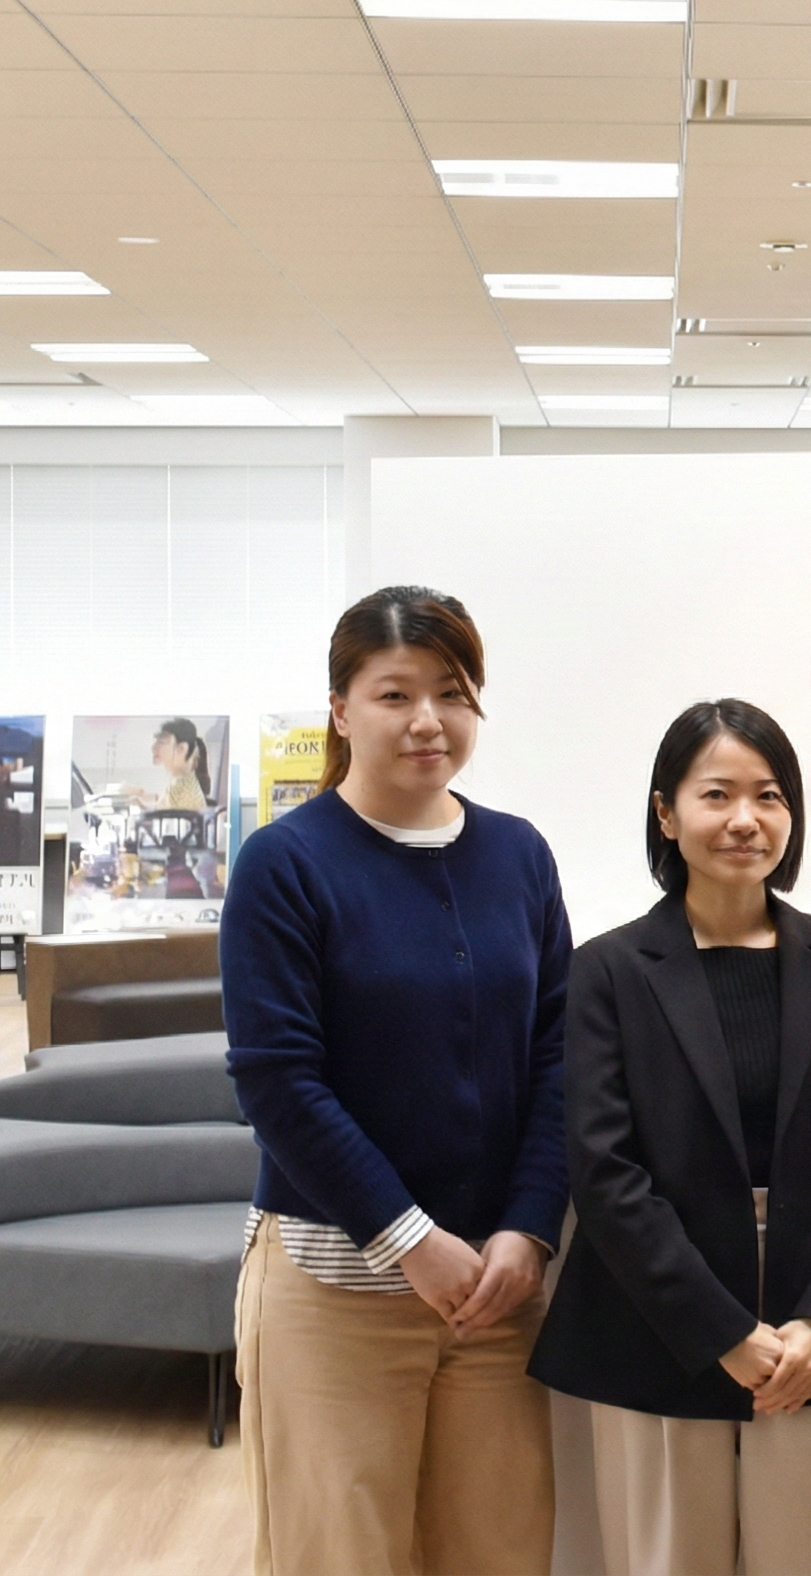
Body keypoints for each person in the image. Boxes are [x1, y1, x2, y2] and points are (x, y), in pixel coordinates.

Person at [531, 700, 811, 1576]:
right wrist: (720, 1331)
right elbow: (605, 1170)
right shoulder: (608, 970)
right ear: (667, 813)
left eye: (769, 795)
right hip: (654, 1333)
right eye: (717, 794)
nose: (746, 819)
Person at [222, 586, 569, 1575]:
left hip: (496, 1295)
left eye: (452, 693)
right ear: (340, 710)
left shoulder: (519, 854)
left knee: (501, 1554)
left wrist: (529, 1227)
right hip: (335, 1293)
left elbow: (559, 1055)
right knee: (337, 1555)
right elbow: (279, 1083)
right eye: (394, 694)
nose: (428, 720)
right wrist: (411, 1241)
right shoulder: (284, 864)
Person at [154, 717, 211, 812]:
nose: (155, 747)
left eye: (162, 742)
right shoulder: (178, 781)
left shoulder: (183, 791)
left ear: (181, 749)